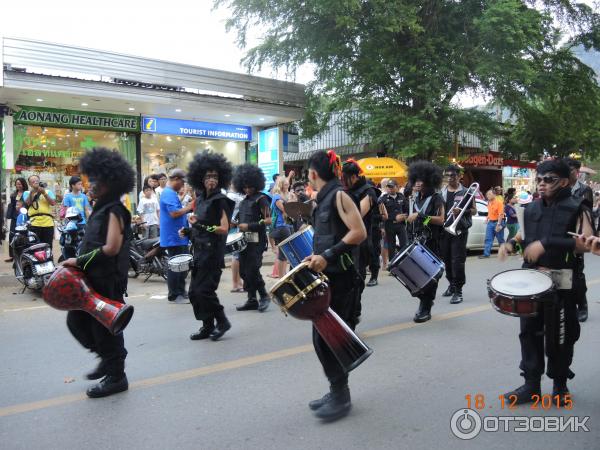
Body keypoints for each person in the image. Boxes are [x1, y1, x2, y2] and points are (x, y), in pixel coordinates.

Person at [498, 159, 593, 404]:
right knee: (528, 333)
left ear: (563, 181)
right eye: (539, 180)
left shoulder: (577, 207)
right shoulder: (531, 209)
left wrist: (547, 243)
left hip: (562, 281)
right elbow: (524, 236)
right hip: (532, 281)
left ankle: (560, 386)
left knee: (561, 335)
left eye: (548, 180)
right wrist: (511, 244)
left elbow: (588, 243)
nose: (541, 184)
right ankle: (531, 385)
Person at [61, 147, 134, 398]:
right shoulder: (100, 208)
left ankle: (116, 375)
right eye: (90, 178)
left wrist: (78, 260)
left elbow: (112, 248)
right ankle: (109, 359)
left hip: (108, 280)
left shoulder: (115, 209)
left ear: (110, 182)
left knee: (105, 328)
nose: (90, 184)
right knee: (77, 321)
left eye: (96, 179)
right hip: (92, 278)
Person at [303, 150, 366, 421]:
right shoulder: (324, 198)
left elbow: (359, 232)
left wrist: (326, 256)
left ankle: (341, 396)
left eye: (308, 173)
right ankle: (337, 390)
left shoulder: (340, 195)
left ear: (314, 174)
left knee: (329, 339)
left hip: (341, 279)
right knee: (323, 338)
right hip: (327, 277)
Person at [184, 151, 235, 341]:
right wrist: (190, 231)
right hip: (199, 252)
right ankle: (207, 325)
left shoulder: (221, 200)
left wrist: (200, 226)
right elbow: (199, 225)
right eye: (208, 176)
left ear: (220, 179)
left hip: (213, 253)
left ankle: (222, 321)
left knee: (204, 291)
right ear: (201, 179)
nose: (211, 179)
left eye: (215, 176)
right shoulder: (202, 200)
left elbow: (224, 228)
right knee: (193, 293)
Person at [405, 161, 445, 322]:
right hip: (416, 242)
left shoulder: (437, 198)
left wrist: (421, 217)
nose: (418, 183)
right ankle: (424, 302)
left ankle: (426, 306)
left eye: (422, 180)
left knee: (429, 276)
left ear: (430, 181)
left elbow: (441, 220)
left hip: (432, 243)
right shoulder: (415, 199)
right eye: (416, 179)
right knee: (416, 275)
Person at [341, 159, 378, 321]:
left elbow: (358, 214)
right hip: (345, 242)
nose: (343, 181)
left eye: (345, 178)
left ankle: (354, 314)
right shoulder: (344, 190)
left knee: (356, 281)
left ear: (355, 177)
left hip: (361, 243)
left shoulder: (368, 192)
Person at [233, 164, 272, 312]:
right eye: (245, 187)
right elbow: (238, 220)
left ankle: (264, 296)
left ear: (256, 184)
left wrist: (249, 226)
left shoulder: (262, 199)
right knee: (243, 271)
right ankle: (251, 299)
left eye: (250, 186)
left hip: (257, 241)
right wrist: (234, 223)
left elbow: (269, 220)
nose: (247, 189)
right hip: (243, 242)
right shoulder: (243, 202)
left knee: (253, 270)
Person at [439, 165, 476, 304]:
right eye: (447, 176)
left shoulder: (467, 192)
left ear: (459, 176)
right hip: (444, 230)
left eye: (452, 176)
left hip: (459, 230)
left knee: (457, 261)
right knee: (446, 260)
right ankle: (451, 284)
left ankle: (458, 290)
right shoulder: (441, 192)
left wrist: (462, 211)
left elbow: (474, 211)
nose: (450, 178)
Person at [565, 158, 594, 323]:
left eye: (571, 170)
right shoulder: (560, 187)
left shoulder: (585, 190)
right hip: (563, 234)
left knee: (577, 273)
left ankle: (582, 304)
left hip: (579, 236)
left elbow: (588, 214)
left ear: (577, 172)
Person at [160, 169, 194, 303]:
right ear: (176, 179)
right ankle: (175, 294)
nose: (182, 185)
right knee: (175, 266)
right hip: (173, 236)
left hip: (178, 236)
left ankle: (181, 291)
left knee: (182, 265)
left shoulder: (171, 193)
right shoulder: (168, 193)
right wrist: (189, 207)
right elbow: (174, 213)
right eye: (182, 182)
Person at [23, 175, 56, 249]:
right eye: (33, 181)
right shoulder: (27, 193)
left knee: (48, 245)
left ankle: (49, 259)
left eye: (36, 180)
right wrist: (32, 193)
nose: (35, 182)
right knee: (34, 245)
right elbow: (27, 203)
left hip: (48, 222)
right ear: (30, 184)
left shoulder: (48, 191)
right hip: (34, 223)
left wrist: (44, 193)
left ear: (39, 181)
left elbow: (53, 203)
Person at [269, 176, 293, 279]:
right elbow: (286, 210)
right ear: (281, 185)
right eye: (285, 184)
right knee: (283, 254)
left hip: (286, 225)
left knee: (284, 254)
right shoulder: (277, 197)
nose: (287, 185)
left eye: (288, 183)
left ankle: (283, 276)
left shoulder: (286, 195)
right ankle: (281, 276)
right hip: (281, 226)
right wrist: (291, 200)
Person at [379, 179, 408, 263]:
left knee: (404, 244)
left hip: (401, 225)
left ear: (397, 187)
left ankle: (404, 263)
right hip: (389, 225)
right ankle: (392, 264)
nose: (390, 189)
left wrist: (404, 216)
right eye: (388, 187)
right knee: (391, 246)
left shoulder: (402, 197)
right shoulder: (383, 199)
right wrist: (382, 227)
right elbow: (382, 214)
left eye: (392, 187)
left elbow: (407, 210)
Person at [366, 180, 387, 286]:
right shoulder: (359, 201)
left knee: (374, 253)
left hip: (374, 230)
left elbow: (385, 216)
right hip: (364, 230)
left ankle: (374, 277)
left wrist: (381, 226)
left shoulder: (379, 202)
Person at [227, 186, 245, 293]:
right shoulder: (230, 196)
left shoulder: (239, 194)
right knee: (236, 255)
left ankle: (239, 282)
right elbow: (227, 213)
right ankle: (235, 284)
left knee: (239, 256)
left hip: (240, 227)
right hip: (235, 228)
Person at [5, 178, 28, 262]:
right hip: (15, 218)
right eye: (17, 184)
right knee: (12, 236)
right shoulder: (13, 195)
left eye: (20, 184)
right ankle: (12, 255)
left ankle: (23, 253)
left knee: (23, 236)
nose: (18, 185)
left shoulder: (27, 193)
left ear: (24, 184)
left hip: (24, 218)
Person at [479, 189, 505, 258]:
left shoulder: (499, 203)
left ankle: (503, 253)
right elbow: (490, 212)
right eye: (487, 194)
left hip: (498, 222)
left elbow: (500, 214)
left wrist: (498, 224)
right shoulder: (488, 203)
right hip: (490, 222)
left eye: (489, 194)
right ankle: (486, 254)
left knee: (500, 239)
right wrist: (487, 218)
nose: (488, 196)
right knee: (488, 238)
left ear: (494, 195)